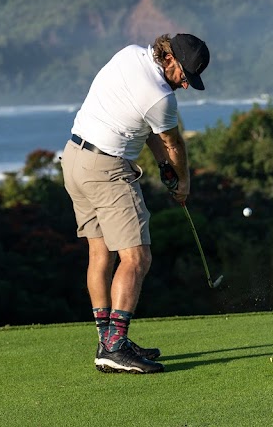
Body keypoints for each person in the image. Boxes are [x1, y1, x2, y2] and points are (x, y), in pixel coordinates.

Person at [61, 33, 210, 374]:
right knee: (137, 257)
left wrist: (162, 167)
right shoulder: (160, 97)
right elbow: (173, 145)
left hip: (74, 159)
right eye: (184, 77)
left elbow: (141, 125)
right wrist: (183, 182)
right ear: (170, 60)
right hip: (107, 169)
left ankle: (107, 342)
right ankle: (114, 347)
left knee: (100, 254)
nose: (184, 86)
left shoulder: (130, 54)